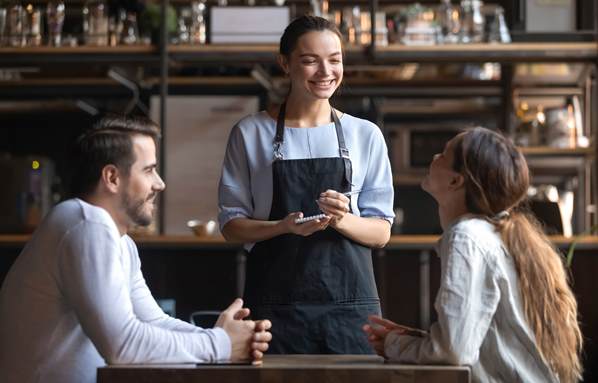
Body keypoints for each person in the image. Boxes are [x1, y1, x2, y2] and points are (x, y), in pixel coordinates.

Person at [0, 116, 272, 383]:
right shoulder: (85, 223)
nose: (160, 183)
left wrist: (225, 337)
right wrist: (221, 345)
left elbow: (154, 321)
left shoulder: (119, 241)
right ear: (112, 177)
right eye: (149, 170)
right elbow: (123, 344)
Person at [218, 15, 394, 354]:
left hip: (349, 309)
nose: (325, 72)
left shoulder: (365, 134)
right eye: (310, 60)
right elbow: (231, 226)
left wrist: (343, 219)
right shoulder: (250, 133)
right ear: (285, 63)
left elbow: (381, 231)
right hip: (274, 309)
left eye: (335, 60)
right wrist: (281, 227)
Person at [363, 127, 583, 382]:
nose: (435, 157)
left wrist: (394, 345)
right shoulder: (488, 233)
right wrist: (416, 339)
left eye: (444, 155)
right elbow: (477, 342)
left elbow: (453, 353)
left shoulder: (466, 237)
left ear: (456, 181)